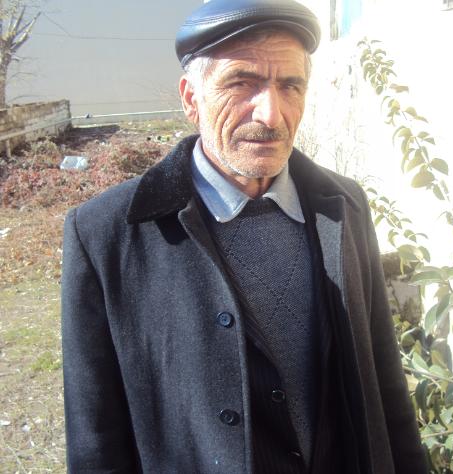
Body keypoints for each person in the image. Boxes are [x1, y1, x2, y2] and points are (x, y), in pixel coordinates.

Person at [61, 0, 428, 472]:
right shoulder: (106, 236)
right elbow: (96, 441)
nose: (271, 114)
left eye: (290, 85)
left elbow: (385, 385)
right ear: (191, 98)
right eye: (241, 83)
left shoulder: (344, 207)